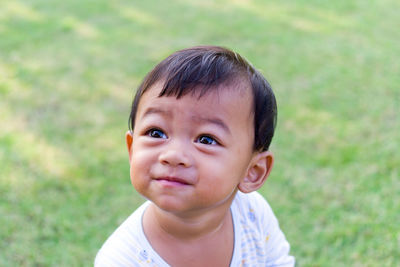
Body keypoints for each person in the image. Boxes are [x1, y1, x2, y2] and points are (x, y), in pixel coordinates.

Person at [95, 46, 295, 266]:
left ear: (252, 172)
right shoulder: (122, 259)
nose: (173, 155)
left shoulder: (252, 214)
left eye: (206, 139)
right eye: (156, 133)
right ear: (132, 150)